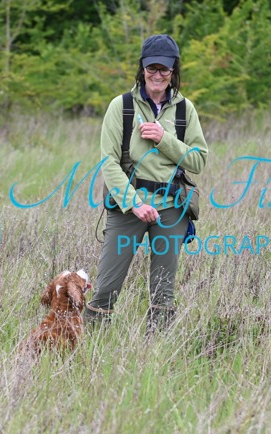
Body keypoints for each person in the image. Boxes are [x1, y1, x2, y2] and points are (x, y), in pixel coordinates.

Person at [84, 34, 208, 332]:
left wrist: (164, 139)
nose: (158, 75)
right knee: (106, 288)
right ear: (142, 69)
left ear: (173, 71)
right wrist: (135, 204)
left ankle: (157, 349)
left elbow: (198, 161)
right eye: (152, 68)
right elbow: (109, 162)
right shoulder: (121, 106)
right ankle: (91, 346)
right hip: (128, 206)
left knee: (164, 291)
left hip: (171, 207)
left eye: (164, 68)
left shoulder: (185, 109)